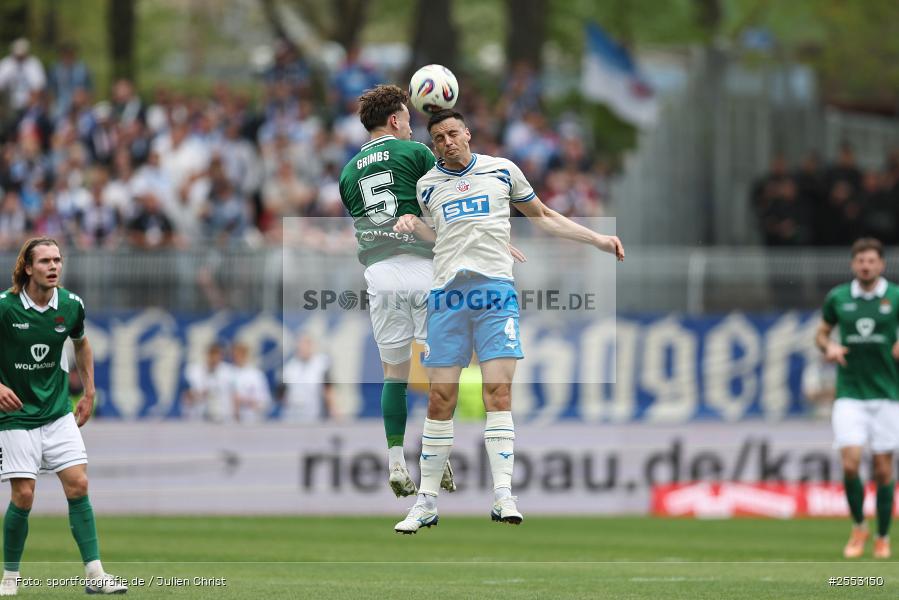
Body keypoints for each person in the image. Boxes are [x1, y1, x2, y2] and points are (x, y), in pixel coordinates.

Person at [392, 109, 624, 534]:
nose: (447, 141)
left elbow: (543, 216)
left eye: (453, 133)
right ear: (434, 145)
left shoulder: (502, 171)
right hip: (447, 296)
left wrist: (597, 239)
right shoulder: (427, 186)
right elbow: (441, 238)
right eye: (439, 138)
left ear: (468, 133)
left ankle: (503, 495)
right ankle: (426, 502)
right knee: (439, 398)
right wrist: (414, 226)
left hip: (495, 293)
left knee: (498, 391)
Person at [337, 84, 454, 497]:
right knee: (440, 366)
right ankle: (436, 454)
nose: (409, 126)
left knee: (395, 374)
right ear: (394, 120)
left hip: (380, 274)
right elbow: (440, 200)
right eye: (407, 119)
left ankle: (396, 463)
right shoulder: (416, 152)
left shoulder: (348, 172)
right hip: (423, 267)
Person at [0, 237, 127, 594]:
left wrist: (89, 390)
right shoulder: (5, 307)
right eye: (45, 261)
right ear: (28, 267)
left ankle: (95, 575)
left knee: (79, 484)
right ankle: (10, 577)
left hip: (57, 412)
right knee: (24, 495)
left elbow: (81, 343)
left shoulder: (71, 305)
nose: (53, 266)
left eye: (57, 260)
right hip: (15, 415)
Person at [816, 237, 899, 559]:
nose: (866, 266)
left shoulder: (895, 296)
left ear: (881, 265)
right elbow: (821, 333)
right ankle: (859, 526)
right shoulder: (838, 297)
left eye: (871, 261)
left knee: (883, 470)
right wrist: (829, 347)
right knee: (850, 464)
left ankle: (882, 535)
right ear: (853, 264)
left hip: (888, 394)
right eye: (861, 261)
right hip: (850, 393)